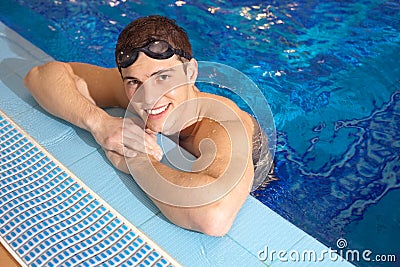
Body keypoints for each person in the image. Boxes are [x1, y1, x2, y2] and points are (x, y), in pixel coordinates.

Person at [24, 15, 274, 236]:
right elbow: (42, 75)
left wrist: (138, 161)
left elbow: (213, 218)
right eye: (133, 81)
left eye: (163, 77)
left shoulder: (225, 125)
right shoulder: (139, 87)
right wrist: (99, 123)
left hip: (265, 184)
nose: (149, 96)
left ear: (190, 73)